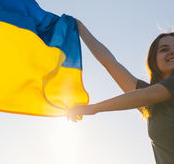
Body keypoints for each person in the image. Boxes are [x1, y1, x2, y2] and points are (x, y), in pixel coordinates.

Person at [67, 20, 174, 164]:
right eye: (164, 49)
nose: (172, 51)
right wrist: (81, 29)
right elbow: (109, 62)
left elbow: (145, 96)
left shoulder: (146, 97)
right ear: (153, 60)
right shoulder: (150, 102)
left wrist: (93, 108)